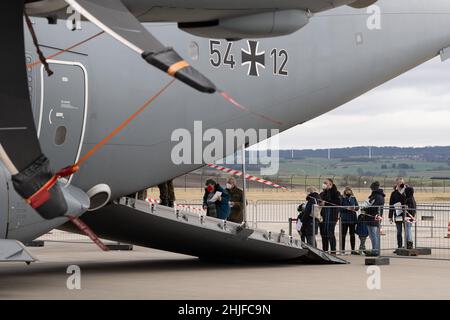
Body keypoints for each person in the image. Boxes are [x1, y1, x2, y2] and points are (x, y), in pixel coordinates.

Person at [363, 181, 385, 256]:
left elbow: (374, 207)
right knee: (374, 235)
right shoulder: (377, 196)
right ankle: (375, 249)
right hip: (374, 217)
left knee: (373, 235)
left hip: (373, 218)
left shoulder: (377, 197)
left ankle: (375, 250)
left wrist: (365, 209)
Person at [319, 178, 341, 254]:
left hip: (332, 215)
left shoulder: (336, 193)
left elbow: (338, 202)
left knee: (330, 232)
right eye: (323, 182)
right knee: (323, 233)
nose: (324, 184)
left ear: (330, 184)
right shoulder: (322, 193)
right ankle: (325, 250)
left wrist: (326, 203)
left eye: (326, 183)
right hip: (323, 216)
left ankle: (333, 251)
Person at [389, 177, 407, 250]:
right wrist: (390, 216)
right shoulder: (394, 193)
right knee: (399, 231)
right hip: (398, 214)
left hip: (406, 214)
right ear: (397, 183)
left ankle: (407, 246)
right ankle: (399, 246)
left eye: (402, 182)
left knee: (407, 231)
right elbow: (391, 205)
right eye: (399, 182)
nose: (401, 184)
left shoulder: (407, 191)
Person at [340, 186, 359, 255]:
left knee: (352, 235)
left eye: (349, 190)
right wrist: (346, 208)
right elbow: (339, 208)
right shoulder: (342, 198)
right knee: (343, 235)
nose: (348, 192)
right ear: (345, 191)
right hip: (345, 219)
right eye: (347, 190)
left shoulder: (353, 198)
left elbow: (357, 207)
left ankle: (353, 250)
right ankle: (342, 250)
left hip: (352, 218)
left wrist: (355, 208)